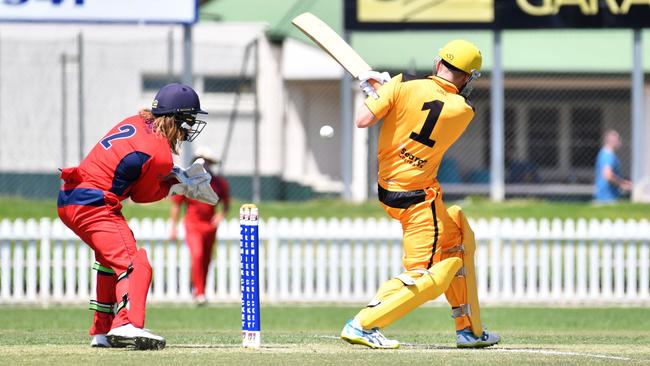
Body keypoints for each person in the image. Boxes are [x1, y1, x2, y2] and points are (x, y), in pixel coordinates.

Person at [340, 40, 500, 349]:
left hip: (389, 191)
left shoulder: (402, 86)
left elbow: (363, 120)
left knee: (458, 236)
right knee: (423, 276)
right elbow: (433, 108)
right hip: (417, 202)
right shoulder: (463, 111)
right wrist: (390, 93)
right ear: (467, 77)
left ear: (438, 63)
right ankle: (362, 324)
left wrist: (381, 93)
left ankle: (468, 329)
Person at [57, 83, 209, 350]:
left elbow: (131, 169)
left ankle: (101, 332)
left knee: (109, 261)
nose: (190, 127)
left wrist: (173, 177)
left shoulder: (136, 121)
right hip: (93, 203)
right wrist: (178, 185)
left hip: (71, 196)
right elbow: (141, 196)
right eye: (189, 120)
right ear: (175, 118)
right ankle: (127, 323)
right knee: (135, 263)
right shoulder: (159, 151)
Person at [169, 146, 230, 305]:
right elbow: (176, 205)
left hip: (210, 226)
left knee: (206, 259)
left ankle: (199, 289)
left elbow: (226, 205)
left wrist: (220, 216)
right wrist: (173, 227)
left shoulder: (218, 183)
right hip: (193, 224)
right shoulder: (188, 181)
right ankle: (199, 292)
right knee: (197, 255)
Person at [593, 129, 631, 203]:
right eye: (618, 139)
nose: (620, 142)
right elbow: (607, 175)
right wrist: (622, 185)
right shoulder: (608, 155)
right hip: (607, 197)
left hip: (606, 196)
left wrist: (623, 182)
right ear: (612, 141)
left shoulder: (605, 153)